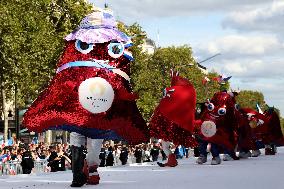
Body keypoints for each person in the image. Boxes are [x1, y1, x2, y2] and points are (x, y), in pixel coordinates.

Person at [22, 7, 149, 187]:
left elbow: (118, 81)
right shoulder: (77, 49)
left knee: (95, 137)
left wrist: (125, 95)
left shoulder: (112, 56)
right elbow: (67, 76)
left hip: (100, 105)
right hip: (80, 103)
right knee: (78, 135)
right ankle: (78, 173)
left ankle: (91, 166)